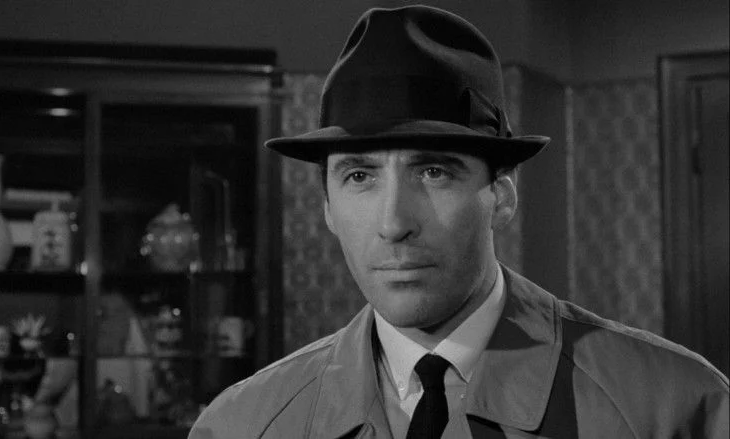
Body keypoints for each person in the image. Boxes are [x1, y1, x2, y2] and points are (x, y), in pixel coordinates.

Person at [189, 5, 729, 438]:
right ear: (328, 207)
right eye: (359, 176)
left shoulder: (672, 407)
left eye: (433, 172)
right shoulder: (243, 425)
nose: (394, 223)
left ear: (501, 196)